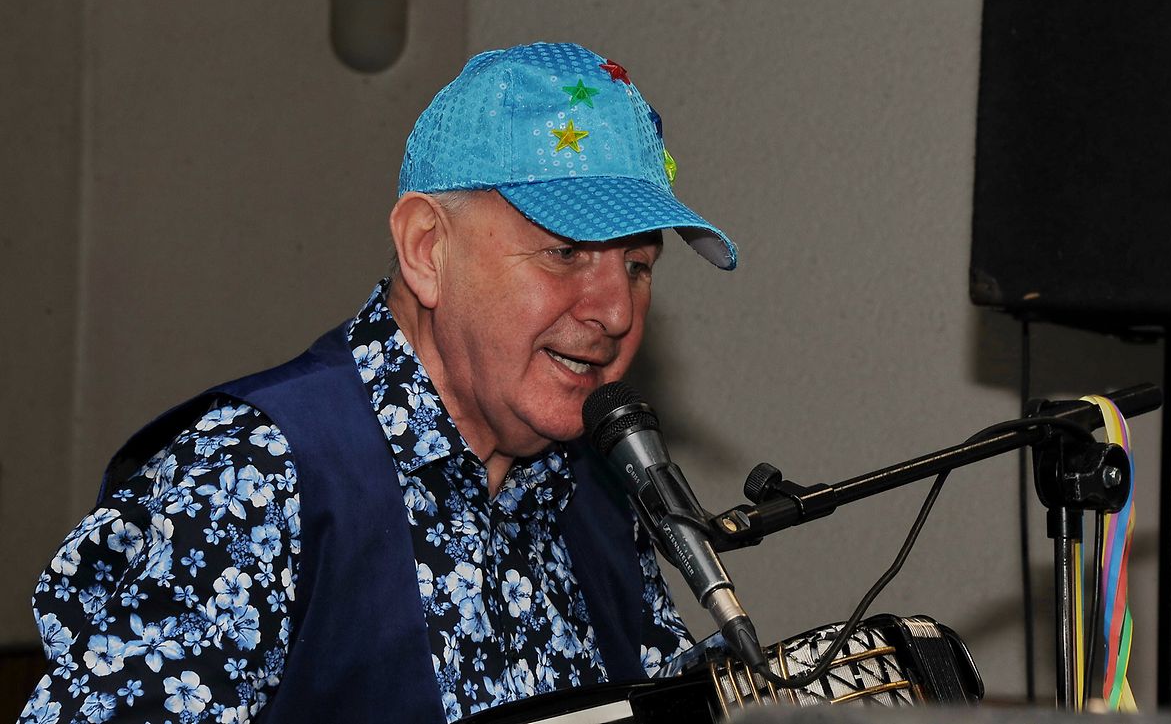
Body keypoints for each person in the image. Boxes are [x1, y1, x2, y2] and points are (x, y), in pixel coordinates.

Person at [19, 42, 738, 724]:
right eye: (567, 252)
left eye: (638, 267)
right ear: (427, 250)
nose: (616, 311)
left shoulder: (594, 489)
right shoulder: (254, 477)